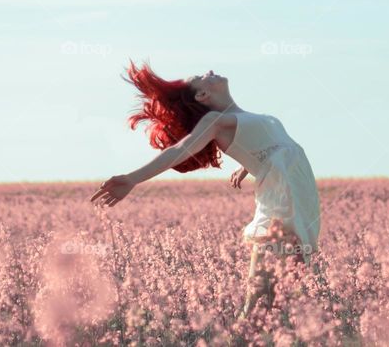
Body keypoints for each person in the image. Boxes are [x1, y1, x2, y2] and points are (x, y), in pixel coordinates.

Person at [89, 59, 322, 317]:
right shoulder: (216, 121)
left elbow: (274, 149)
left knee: (284, 301)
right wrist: (133, 178)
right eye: (202, 76)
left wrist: (249, 165)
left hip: (302, 199)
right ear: (202, 94)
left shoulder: (245, 118)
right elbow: (181, 148)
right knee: (260, 305)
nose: (209, 71)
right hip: (282, 202)